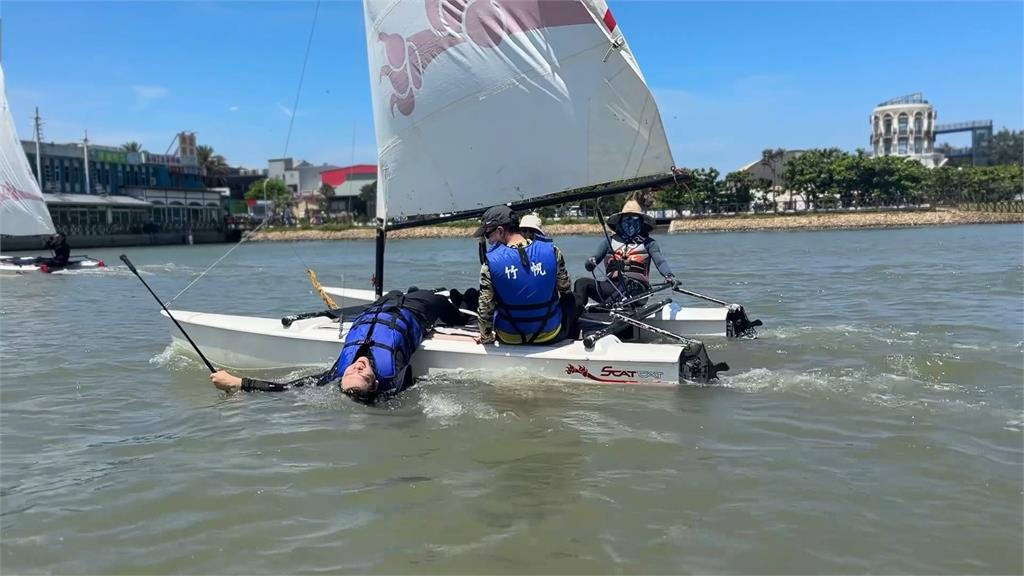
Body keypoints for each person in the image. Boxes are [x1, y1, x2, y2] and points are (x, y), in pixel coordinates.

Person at [209, 289, 469, 403]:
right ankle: (464, 299)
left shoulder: (337, 372)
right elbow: (414, 385)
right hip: (419, 309)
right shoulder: (393, 376)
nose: (356, 367)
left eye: (350, 373)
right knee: (457, 313)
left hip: (382, 305)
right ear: (375, 383)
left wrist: (238, 383)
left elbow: (287, 387)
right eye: (361, 374)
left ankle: (456, 296)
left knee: (396, 292)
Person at [474, 205, 578, 345]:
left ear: (500, 231)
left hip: (509, 336)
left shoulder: (489, 264)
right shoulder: (553, 251)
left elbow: (486, 307)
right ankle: (573, 339)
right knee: (569, 298)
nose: (488, 240)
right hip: (550, 333)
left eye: (488, 235)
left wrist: (486, 338)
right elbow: (565, 287)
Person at [573, 199, 679, 311]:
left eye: (634, 219)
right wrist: (590, 262)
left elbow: (660, 261)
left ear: (641, 222)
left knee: (628, 283)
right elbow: (590, 264)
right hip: (611, 288)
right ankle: (576, 313)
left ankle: (604, 308)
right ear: (620, 222)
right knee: (581, 283)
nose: (630, 223)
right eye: (626, 219)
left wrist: (669, 276)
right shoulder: (609, 242)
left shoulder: (649, 243)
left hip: (637, 292)